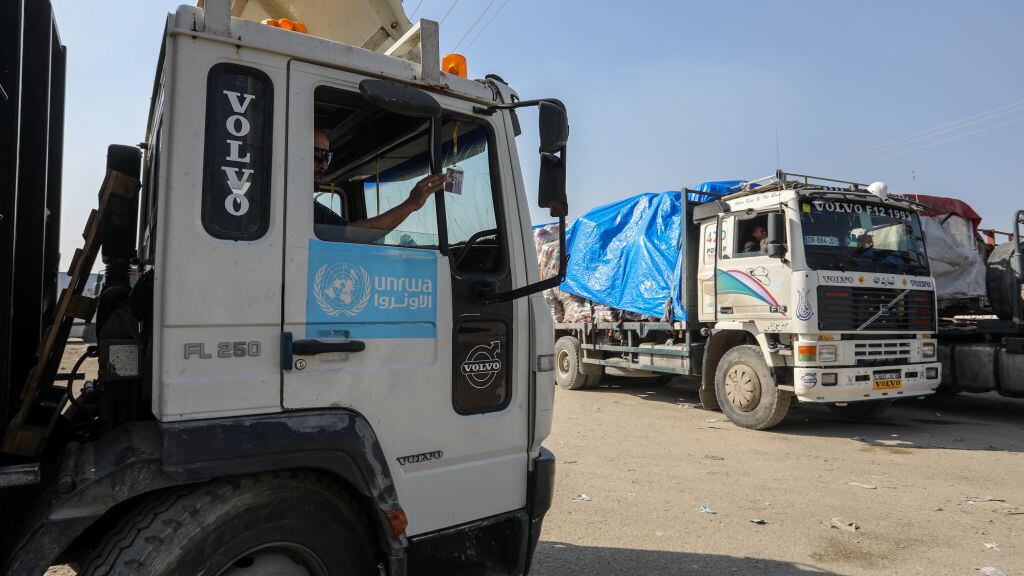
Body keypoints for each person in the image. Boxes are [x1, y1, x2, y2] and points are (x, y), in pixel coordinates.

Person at [313, 129, 445, 235]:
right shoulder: (299, 206)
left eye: (327, 157)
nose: (324, 166)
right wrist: (412, 203)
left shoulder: (307, 206)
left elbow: (347, 231)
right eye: (318, 155)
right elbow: (352, 234)